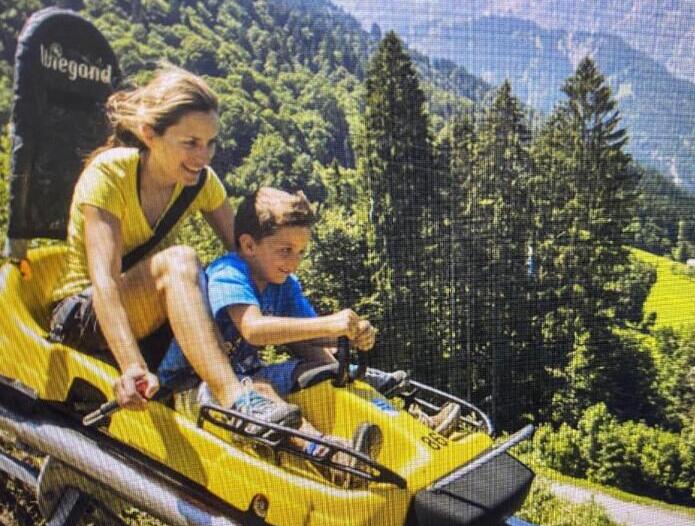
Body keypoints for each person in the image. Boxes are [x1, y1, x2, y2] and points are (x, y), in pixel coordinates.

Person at [47, 66, 304, 436]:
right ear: (150, 134)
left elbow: (250, 257)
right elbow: (104, 283)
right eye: (191, 143)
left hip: (151, 318)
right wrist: (132, 366)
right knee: (182, 260)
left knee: (222, 281)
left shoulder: (200, 182)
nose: (204, 156)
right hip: (84, 317)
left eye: (211, 143)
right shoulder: (109, 175)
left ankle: (295, 424)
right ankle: (235, 398)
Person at [157, 187, 461, 438]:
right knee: (262, 389)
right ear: (249, 245)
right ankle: (325, 450)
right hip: (194, 387)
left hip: (247, 375)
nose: (295, 261)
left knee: (320, 368)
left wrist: (349, 335)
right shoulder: (229, 272)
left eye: (301, 252)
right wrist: (330, 323)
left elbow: (315, 337)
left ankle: (412, 425)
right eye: (285, 250)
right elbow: (253, 328)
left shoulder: (284, 283)